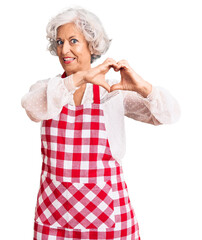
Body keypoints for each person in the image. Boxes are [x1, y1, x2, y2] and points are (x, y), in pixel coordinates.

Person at [21, 7, 180, 240]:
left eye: (73, 41)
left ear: (91, 45)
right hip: (54, 215)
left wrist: (143, 87)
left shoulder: (112, 92)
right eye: (59, 41)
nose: (64, 49)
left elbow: (169, 115)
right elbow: (31, 108)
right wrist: (82, 76)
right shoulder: (49, 91)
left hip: (107, 218)